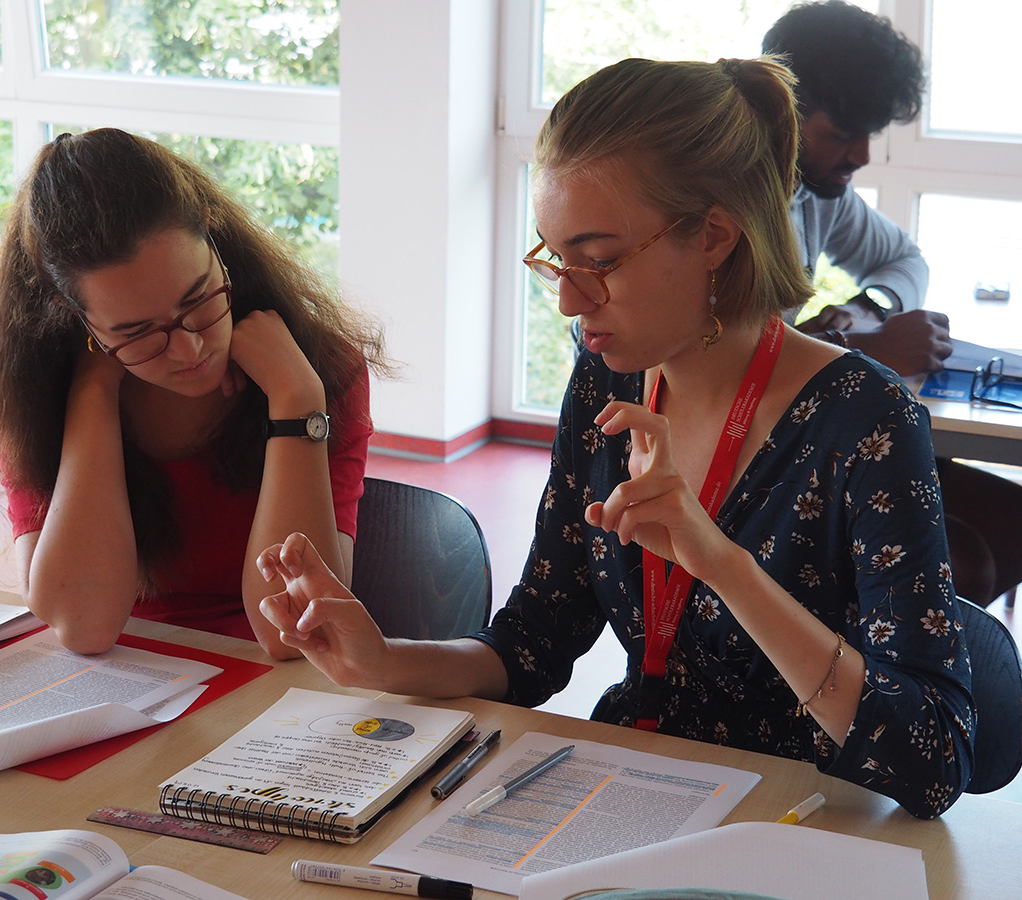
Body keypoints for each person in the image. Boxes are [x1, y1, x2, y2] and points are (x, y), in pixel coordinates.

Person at [256, 57, 974, 819]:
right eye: (557, 259)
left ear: (715, 237)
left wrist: (724, 565)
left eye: (598, 262)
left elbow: (932, 760)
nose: (570, 298)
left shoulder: (864, 418)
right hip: (629, 799)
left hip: (798, 827)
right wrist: (382, 661)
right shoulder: (608, 379)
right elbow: (532, 645)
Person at [0, 128, 387, 659]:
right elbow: (83, 626)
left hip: (274, 694)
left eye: (198, 299)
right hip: (126, 678)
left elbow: (297, 634)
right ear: (76, 316)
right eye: (137, 331)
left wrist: (296, 399)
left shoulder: (318, 369)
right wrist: (94, 390)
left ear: (212, 236)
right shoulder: (33, 392)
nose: (189, 349)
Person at [765, 0, 1022, 607]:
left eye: (869, 135)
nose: (861, 156)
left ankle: (906, 682)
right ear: (781, 110)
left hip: (812, 440)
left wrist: (866, 305)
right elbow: (726, 368)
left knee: (1012, 523)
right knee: (962, 569)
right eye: (842, 135)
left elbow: (906, 262)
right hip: (752, 468)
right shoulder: (724, 204)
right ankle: (869, 688)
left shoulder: (814, 190)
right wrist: (864, 348)